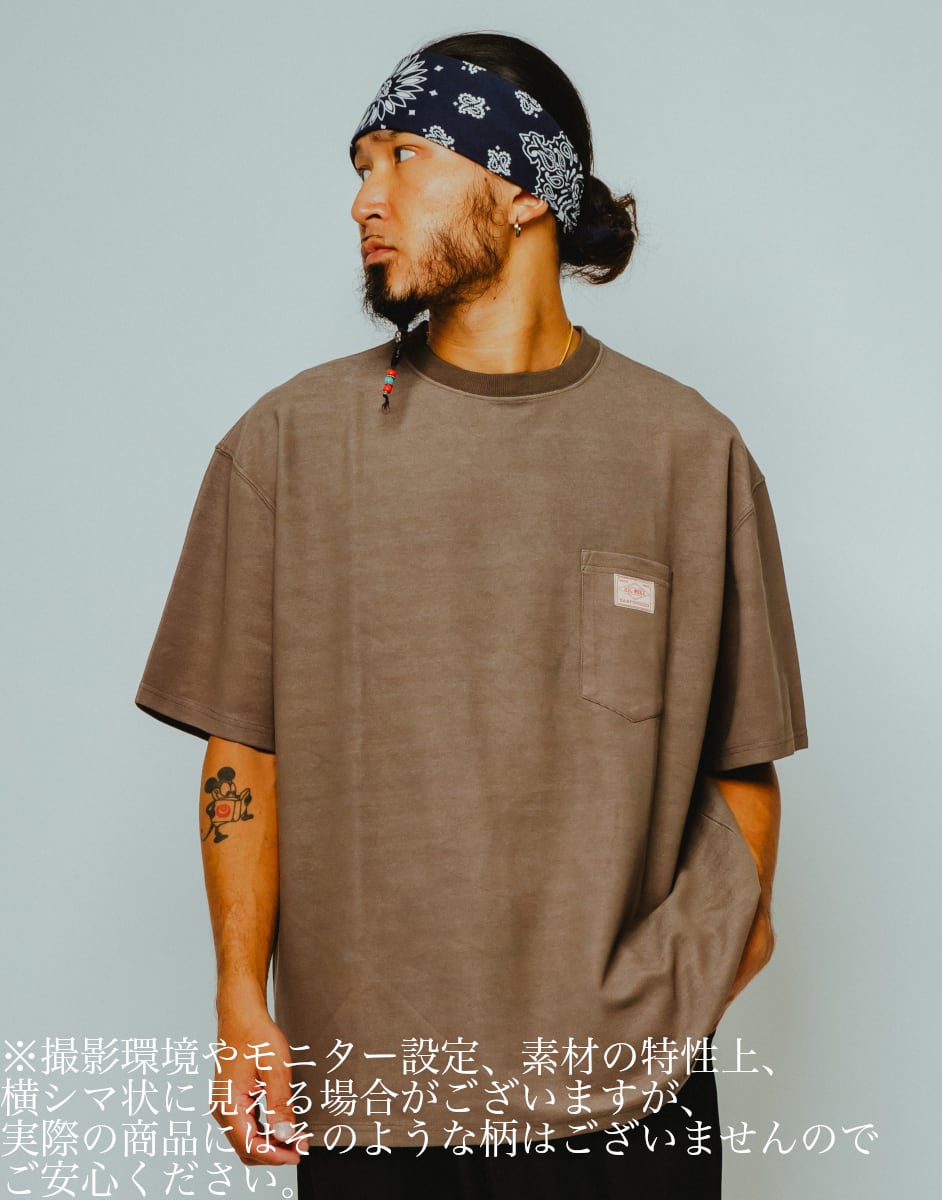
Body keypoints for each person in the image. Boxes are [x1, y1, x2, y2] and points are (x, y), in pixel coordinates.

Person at [136, 31, 807, 1198]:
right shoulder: (287, 445)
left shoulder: (688, 454)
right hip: (377, 1103)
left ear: (525, 187)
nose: (365, 199)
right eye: (360, 167)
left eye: (403, 157)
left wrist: (675, 1005)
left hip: (628, 1110)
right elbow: (244, 751)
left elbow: (742, 765)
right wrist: (241, 1001)